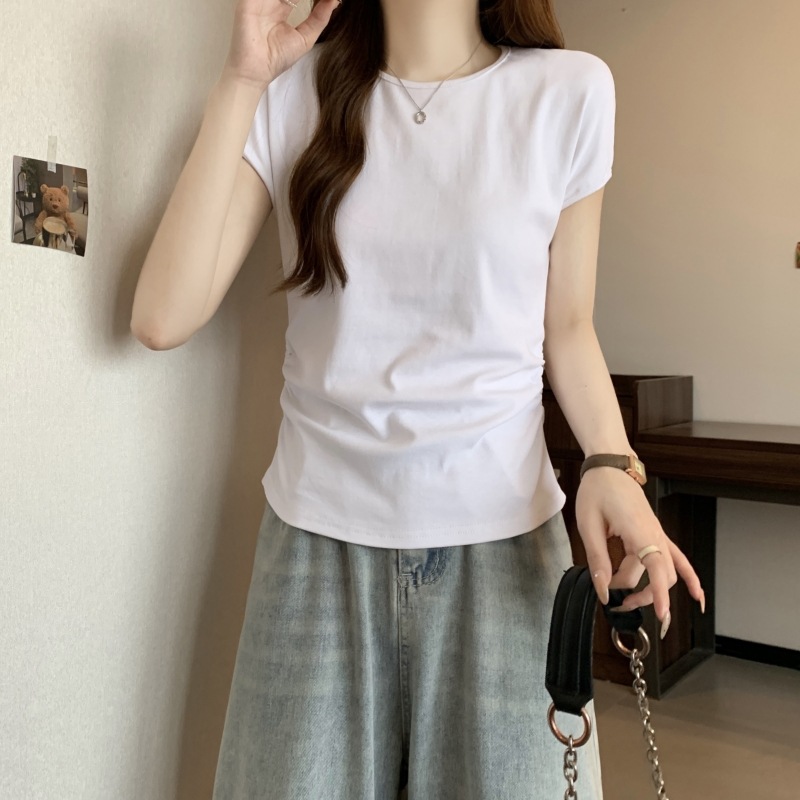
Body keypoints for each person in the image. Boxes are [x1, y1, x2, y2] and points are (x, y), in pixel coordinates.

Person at [131, 0, 706, 797]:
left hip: (505, 551)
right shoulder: (289, 90)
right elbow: (161, 316)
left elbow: (569, 328)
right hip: (315, 548)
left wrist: (612, 463)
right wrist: (240, 80)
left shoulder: (570, 92)